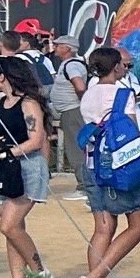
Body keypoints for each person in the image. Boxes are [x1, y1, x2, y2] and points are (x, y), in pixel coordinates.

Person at [78, 45, 140, 278]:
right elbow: (131, 129)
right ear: (115, 67)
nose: (125, 68)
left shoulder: (88, 94)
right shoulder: (122, 94)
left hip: (92, 163)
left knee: (103, 227)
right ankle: (96, 276)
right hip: (118, 165)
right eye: (123, 64)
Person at [0, 53, 50, 278]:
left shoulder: (28, 103)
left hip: (26, 167)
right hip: (3, 170)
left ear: (3, 76)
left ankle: (40, 275)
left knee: (8, 225)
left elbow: (36, 140)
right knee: (13, 229)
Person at [45, 33, 86, 174]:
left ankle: (84, 186)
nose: (54, 47)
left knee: (75, 149)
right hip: (68, 110)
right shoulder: (68, 64)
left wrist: (82, 100)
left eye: (58, 45)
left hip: (72, 110)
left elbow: (80, 86)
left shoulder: (72, 66)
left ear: (67, 49)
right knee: (74, 148)